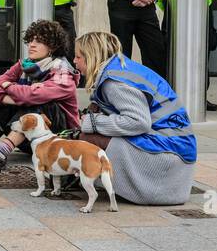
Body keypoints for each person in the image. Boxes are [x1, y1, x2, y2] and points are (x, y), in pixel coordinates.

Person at [75, 30, 196, 206]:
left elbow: (139, 122)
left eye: (78, 57)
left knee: (87, 139)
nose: (74, 61)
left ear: (91, 56)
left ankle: (95, 179)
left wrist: (92, 123)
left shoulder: (114, 82)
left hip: (167, 158)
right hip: (176, 152)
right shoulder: (121, 69)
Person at [0, 19, 80, 174]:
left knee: (38, 103)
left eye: (39, 41)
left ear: (52, 47)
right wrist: (14, 95)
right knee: (6, 102)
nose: (32, 44)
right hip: (27, 135)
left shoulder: (63, 73)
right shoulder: (24, 64)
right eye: (31, 40)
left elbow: (30, 97)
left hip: (57, 138)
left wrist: (8, 87)